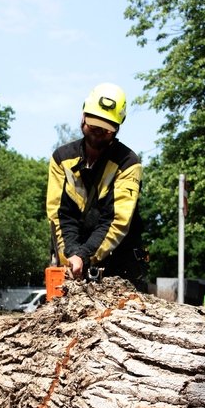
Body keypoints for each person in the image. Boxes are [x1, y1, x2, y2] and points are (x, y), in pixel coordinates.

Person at [46, 82, 147, 291]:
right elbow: (60, 214)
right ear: (83, 115)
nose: (98, 132)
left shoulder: (128, 164)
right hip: (73, 257)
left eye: (106, 128)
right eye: (93, 124)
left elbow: (116, 220)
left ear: (118, 126)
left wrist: (85, 255)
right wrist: (72, 256)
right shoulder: (61, 159)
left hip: (120, 261)